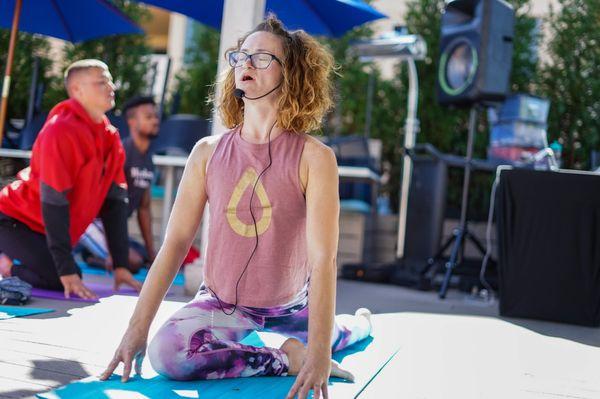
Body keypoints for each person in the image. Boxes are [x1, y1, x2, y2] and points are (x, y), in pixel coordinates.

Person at [101, 16, 371, 399]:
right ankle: (286, 357)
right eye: (241, 56)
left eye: (262, 58)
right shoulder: (207, 153)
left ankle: (357, 324)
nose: (245, 64)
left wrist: (322, 352)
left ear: (289, 74)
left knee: (344, 334)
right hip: (222, 303)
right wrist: (137, 329)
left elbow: (323, 259)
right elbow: (176, 242)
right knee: (168, 354)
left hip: (291, 307)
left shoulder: (315, 157)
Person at [0, 59, 142, 299]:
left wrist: (120, 265)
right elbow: (54, 202)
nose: (111, 86)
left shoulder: (110, 136)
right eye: (101, 82)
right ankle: (5, 265)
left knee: (70, 273)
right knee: (63, 277)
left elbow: (115, 203)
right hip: (13, 219)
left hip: (45, 228)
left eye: (110, 80)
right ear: (77, 90)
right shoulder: (60, 130)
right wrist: (65, 271)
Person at [77, 96, 159, 272]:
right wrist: (114, 251)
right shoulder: (121, 153)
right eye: (148, 116)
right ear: (131, 122)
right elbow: (106, 203)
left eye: (155, 116)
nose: (155, 120)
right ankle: (100, 257)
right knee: (134, 262)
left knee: (146, 256)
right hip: (92, 223)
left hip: (113, 227)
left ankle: (92, 253)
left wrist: (152, 253)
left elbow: (143, 209)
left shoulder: (148, 159)